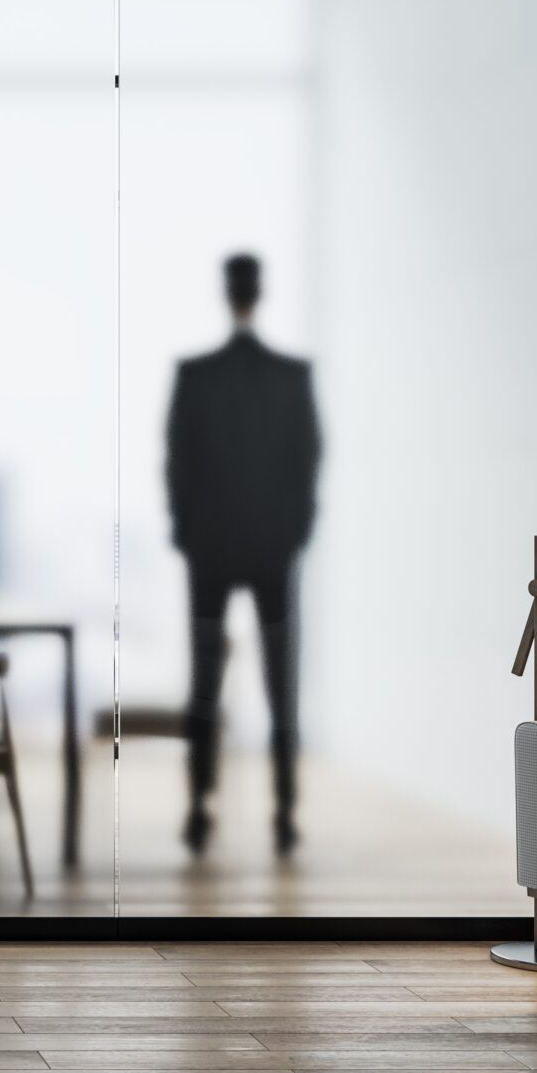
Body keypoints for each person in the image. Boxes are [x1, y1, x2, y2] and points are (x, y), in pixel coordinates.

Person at [164, 253, 322, 856]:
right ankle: (284, 811)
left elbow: (178, 463)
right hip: (270, 547)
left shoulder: (196, 375)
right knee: (282, 682)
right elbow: (308, 461)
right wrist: (294, 533)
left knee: (204, 680)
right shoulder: (290, 376)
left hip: (212, 547)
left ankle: (199, 807)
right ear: (260, 291)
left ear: (226, 292)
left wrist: (187, 533)